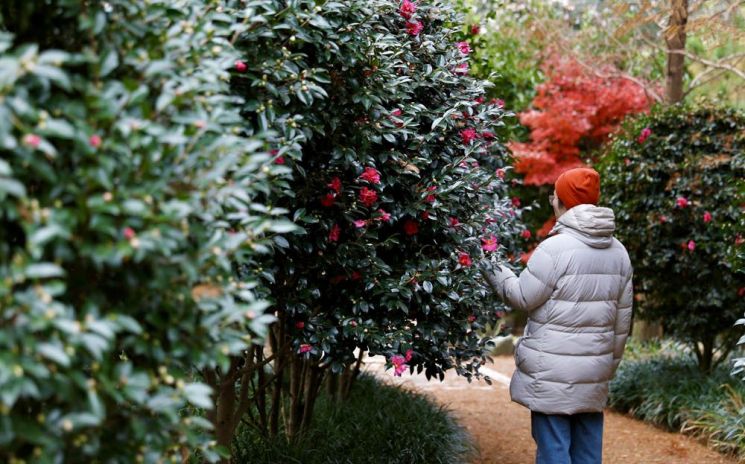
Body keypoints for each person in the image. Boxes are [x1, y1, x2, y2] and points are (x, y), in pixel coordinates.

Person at [480, 167, 633, 464]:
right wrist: (607, 367)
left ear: (561, 201)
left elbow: (523, 296)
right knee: (588, 454)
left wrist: (491, 266)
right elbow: (621, 321)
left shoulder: (555, 249)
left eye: (554, 195)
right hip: (594, 370)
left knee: (553, 452)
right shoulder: (620, 252)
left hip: (552, 373)